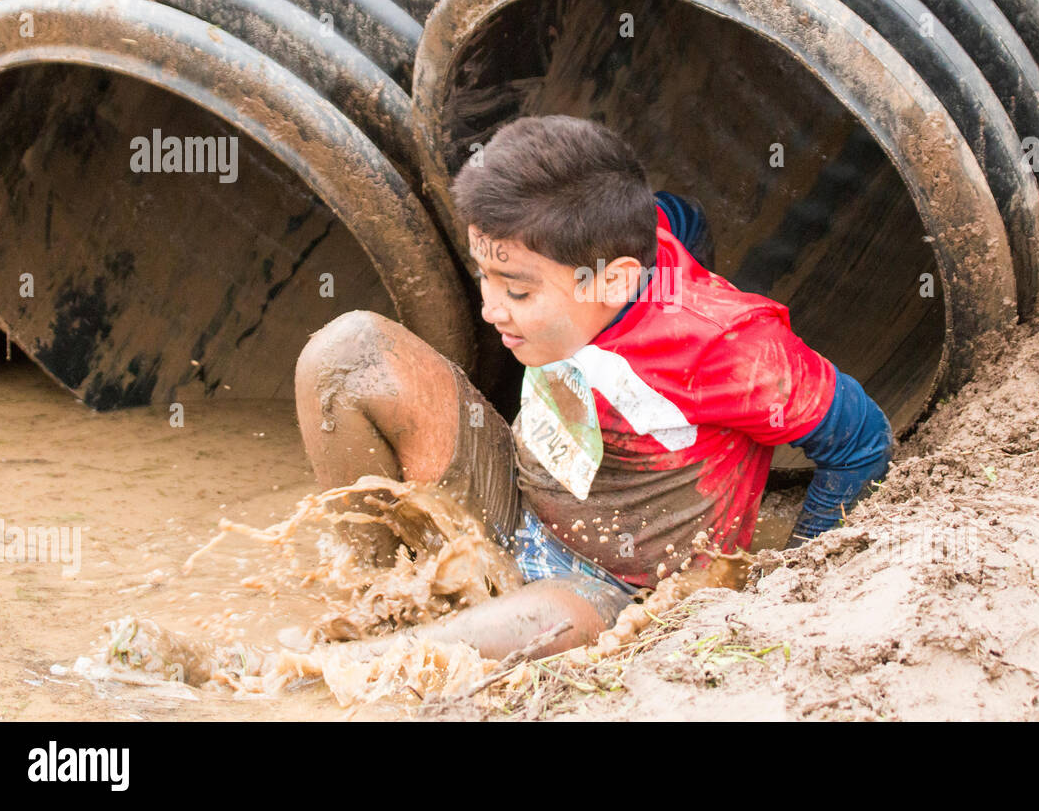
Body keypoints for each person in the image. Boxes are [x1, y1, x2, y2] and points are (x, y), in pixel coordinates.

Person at [294, 115, 893, 659]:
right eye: (486, 277)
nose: (489, 310)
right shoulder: (622, 236)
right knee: (349, 352)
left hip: (611, 588)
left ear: (616, 281)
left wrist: (796, 580)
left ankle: (327, 663)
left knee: (510, 631)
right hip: (518, 499)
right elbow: (684, 217)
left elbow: (861, 440)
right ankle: (381, 594)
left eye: (518, 292)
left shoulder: (725, 348)